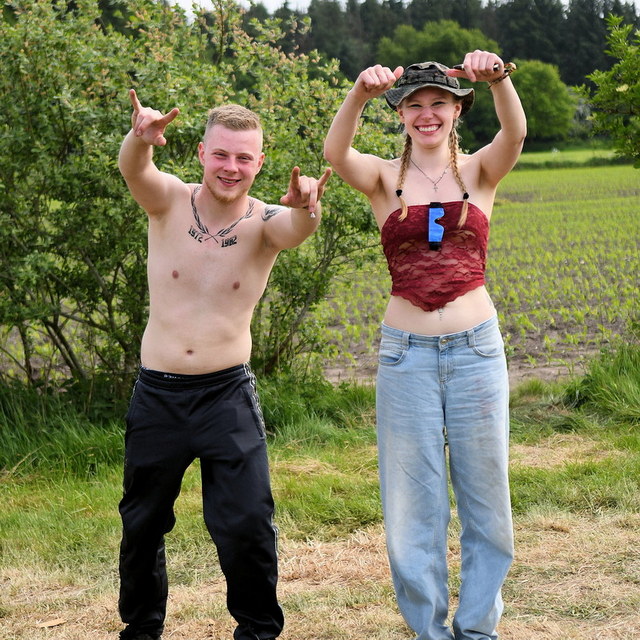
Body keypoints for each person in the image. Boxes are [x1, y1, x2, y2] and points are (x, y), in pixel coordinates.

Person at [323, 51, 526, 640]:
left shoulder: (479, 172)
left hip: (476, 352)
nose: (427, 113)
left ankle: (477, 630)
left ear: (458, 110)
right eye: (414, 105)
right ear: (400, 114)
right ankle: (429, 633)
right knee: (413, 505)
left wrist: (499, 79)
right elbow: (336, 154)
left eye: (439, 102)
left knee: (487, 499)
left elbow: (514, 133)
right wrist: (358, 93)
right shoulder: (383, 178)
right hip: (405, 355)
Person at [116, 89, 331, 640]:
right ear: (201, 153)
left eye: (243, 157)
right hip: (158, 394)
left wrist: (308, 206)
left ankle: (258, 632)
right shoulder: (168, 201)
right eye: (221, 154)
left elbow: (297, 230)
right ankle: (141, 629)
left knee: (247, 525)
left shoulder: (266, 222)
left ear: (259, 163)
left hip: (226, 397)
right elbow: (135, 170)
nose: (230, 167)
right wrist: (139, 140)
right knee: (142, 523)